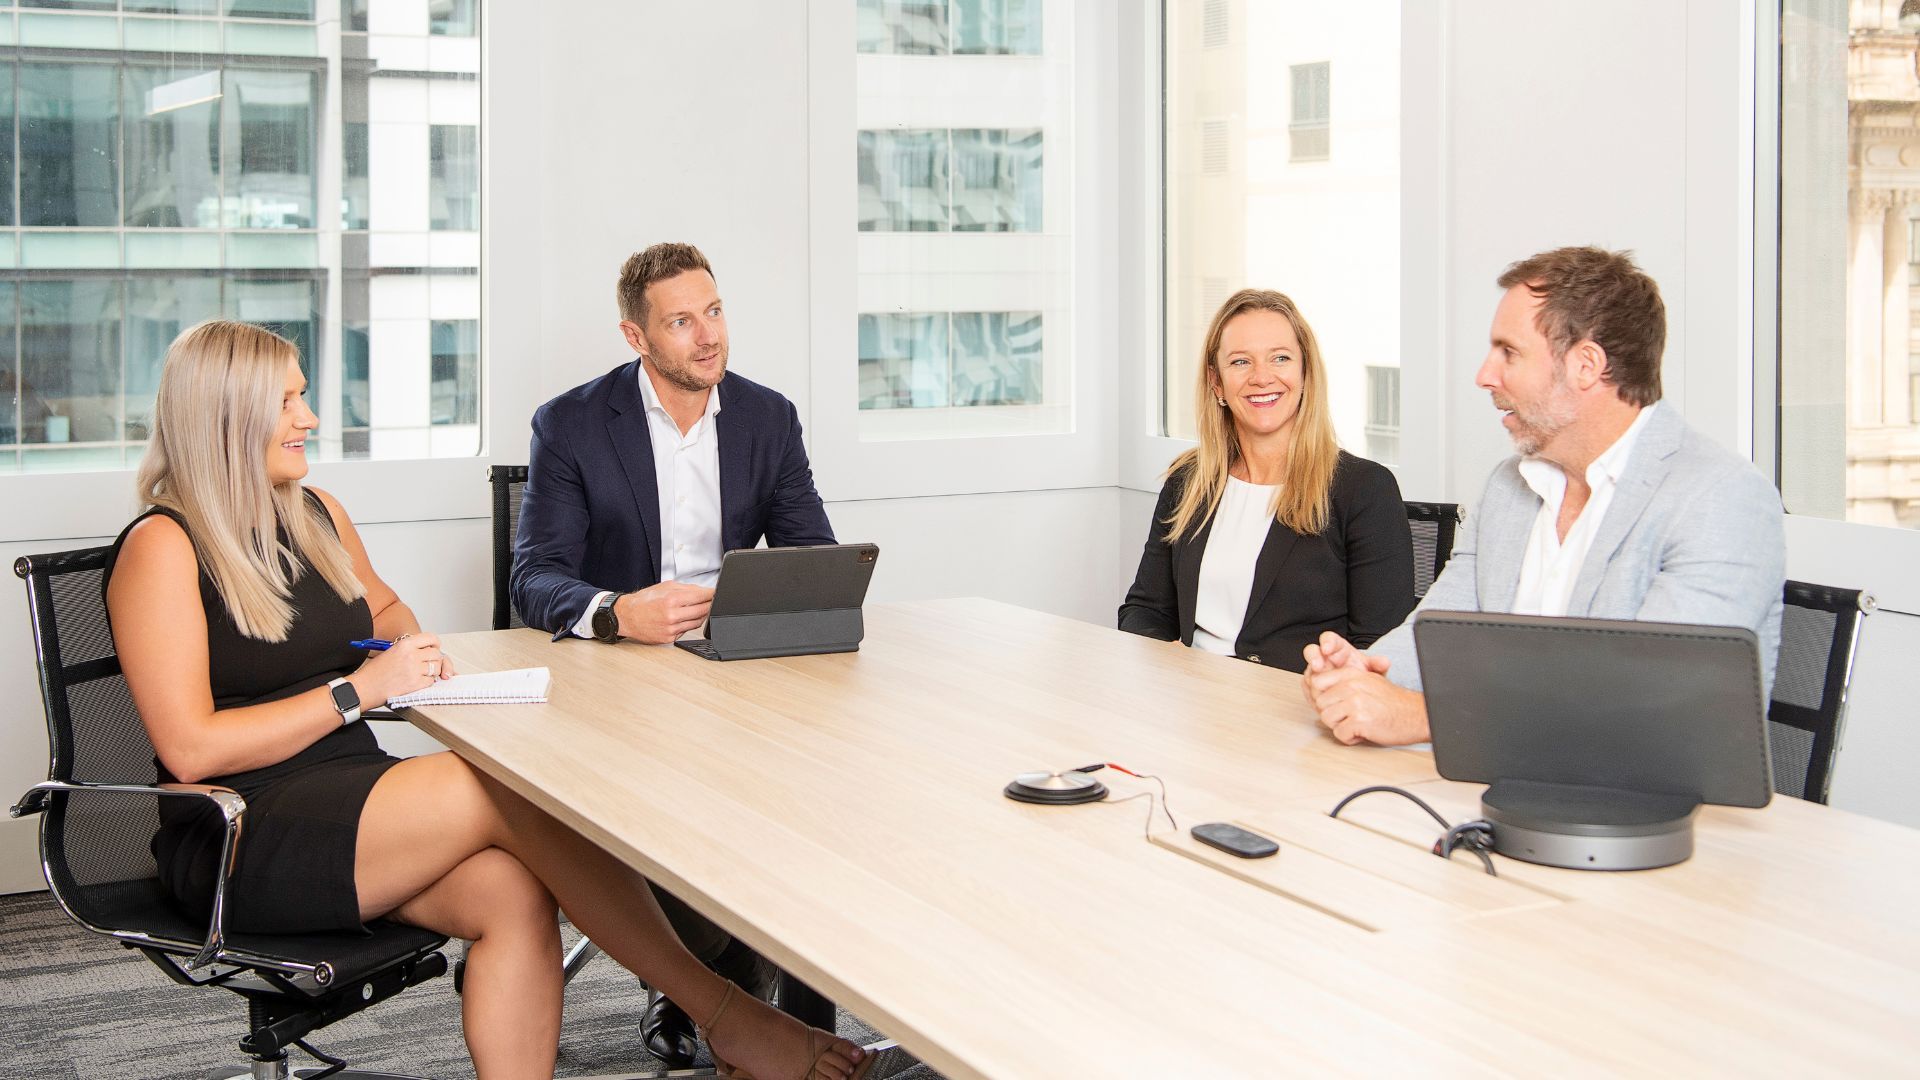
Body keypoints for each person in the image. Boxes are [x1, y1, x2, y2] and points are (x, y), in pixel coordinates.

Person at [105, 320, 870, 1080]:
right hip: (239, 827)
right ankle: (728, 1014)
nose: (308, 419)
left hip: (347, 793)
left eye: (304, 398)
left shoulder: (313, 515)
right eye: (287, 403)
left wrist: (405, 653)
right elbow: (191, 749)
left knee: (512, 894)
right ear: (227, 417)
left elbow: (387, 612)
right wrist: (356, 691)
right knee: (509, 786)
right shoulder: (163, 547)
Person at [509, 242, 837, 1065]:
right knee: (681, 811)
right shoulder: (573, 424)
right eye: (682, 321)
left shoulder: (768, 417)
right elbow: (534, 576)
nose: (708, 336)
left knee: (810, 798)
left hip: (733, 672)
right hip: (622, 677)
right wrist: (619, 612)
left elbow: (813, 561)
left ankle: (790, 1009)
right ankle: (714, 988)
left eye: (715, 311)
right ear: (636, 335)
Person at [1301, 247, 1787, 746]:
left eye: (1509, 352)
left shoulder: (1719, 497)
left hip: (1654, 815)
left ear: (1586, 365)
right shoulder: (1509, 488)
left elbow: (1649, 708)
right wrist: (1363, 674)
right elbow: (1439, 637)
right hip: (1500, 788)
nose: (1484, 375)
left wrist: (1424, 718)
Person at [1118, 289, 1415, 671]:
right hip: (1192, 703)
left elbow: (1382, 646)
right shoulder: (1188, 482)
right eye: (1241, 362)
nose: (1262, 377)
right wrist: (1166, 659)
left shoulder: (1364, 490)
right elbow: (1145, 610)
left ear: (1305, 372)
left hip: (1298, 710)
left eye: (1280, 358)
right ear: (1217, 382)